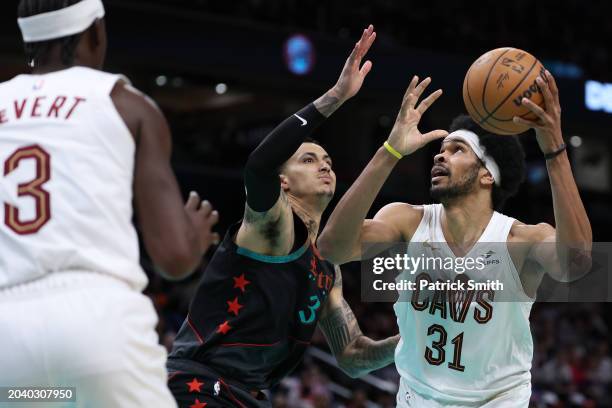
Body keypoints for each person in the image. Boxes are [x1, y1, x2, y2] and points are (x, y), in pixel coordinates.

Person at [318, 71, 592, 407]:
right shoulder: (406, 220)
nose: (439, 155)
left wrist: (555, 151)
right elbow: (332, 247)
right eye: (441, 149)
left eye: (457, 149)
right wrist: (390, 151)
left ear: (487, 174)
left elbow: (575, 264)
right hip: (415, 399)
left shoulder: (519, 240)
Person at [167, 25, 399, 407]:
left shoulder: (328, 268)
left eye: (327, 160)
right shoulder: (274, 227)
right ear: (284, 182)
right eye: (308, 160)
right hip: (201, 384)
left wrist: (409, 341)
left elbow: (354, 356)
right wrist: (337, 96)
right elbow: (258, 166)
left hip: (246, 395)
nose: (324, 166)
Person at [0, 1, 218, 406]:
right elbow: (174, 259)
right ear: (95, 32)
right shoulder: (126, 104)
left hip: (7, 345)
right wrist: (194, 235)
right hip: (99, 329)